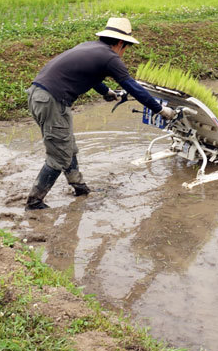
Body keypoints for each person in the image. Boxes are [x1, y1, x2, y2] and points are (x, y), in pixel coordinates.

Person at [25, 17, 176, 210]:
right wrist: (161, 110)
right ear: (121, 43)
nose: (124, 52)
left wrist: (106, 92)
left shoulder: (89, 47)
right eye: (126, 47)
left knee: (67, 147)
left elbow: (91, 77)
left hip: (39, 95)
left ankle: (80, 188)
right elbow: (132, 86)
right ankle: (34, 202)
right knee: (59, 155)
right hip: (52, 101)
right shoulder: (110, 57)